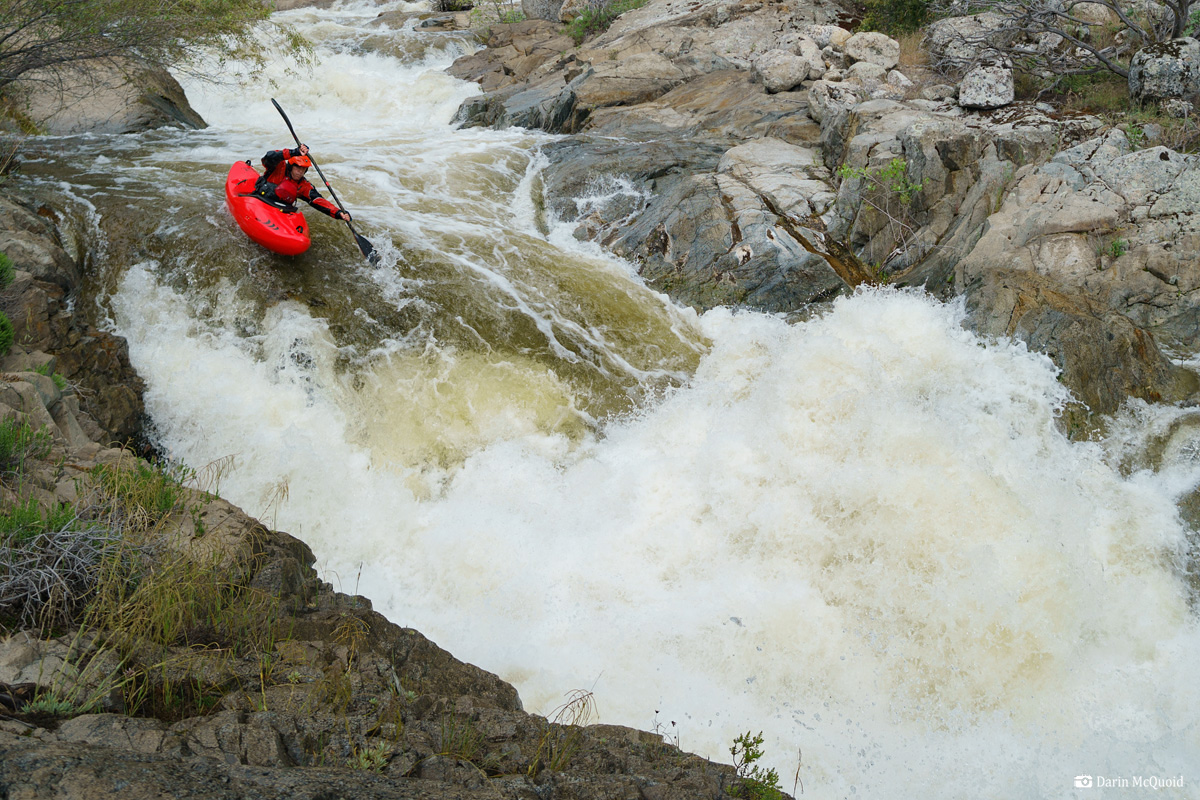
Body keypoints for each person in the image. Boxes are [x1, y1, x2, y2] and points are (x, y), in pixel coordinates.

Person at [254, 143, 351, 222]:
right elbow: (269, 156)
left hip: (279, 209)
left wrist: (338, 213)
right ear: (291, 166)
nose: (300, 171)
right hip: (260, 200)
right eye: (297, 167)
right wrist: (294, 152)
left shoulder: (304, 186)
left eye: (303, 169)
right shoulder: (279, 167)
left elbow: (318, 200)